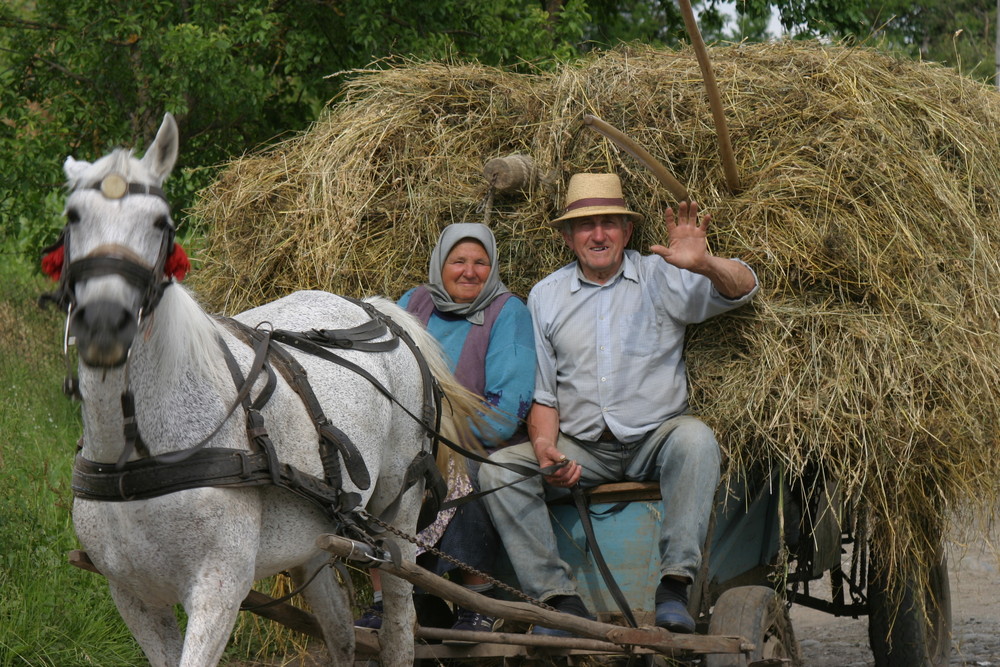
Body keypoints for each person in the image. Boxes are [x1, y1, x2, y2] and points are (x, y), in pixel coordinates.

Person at [479, 173, 758, 636]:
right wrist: (547, 447)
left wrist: (706, 262)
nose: (599, 234)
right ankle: (557, 601)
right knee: (499, 471)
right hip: (584, 449)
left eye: (610, 223)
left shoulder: (660, 274)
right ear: (569, 237)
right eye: (586, 225)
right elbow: (544, 393)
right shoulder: (546, 297)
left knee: (696, 438)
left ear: (627, 232)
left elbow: (744, 288)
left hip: (654, 439)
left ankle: (674, 586)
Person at [355, 222, 536, 639]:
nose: (469, 271)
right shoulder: (415, 303)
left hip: (478, 440)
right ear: (441, 264)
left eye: (480, 262)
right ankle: (390, 599)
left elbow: (510, 407)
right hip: (414, 439)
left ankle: (477, 601)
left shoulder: (507, 312)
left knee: (462, 477)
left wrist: (445, 440)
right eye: (458, 261)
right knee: (373, 478)